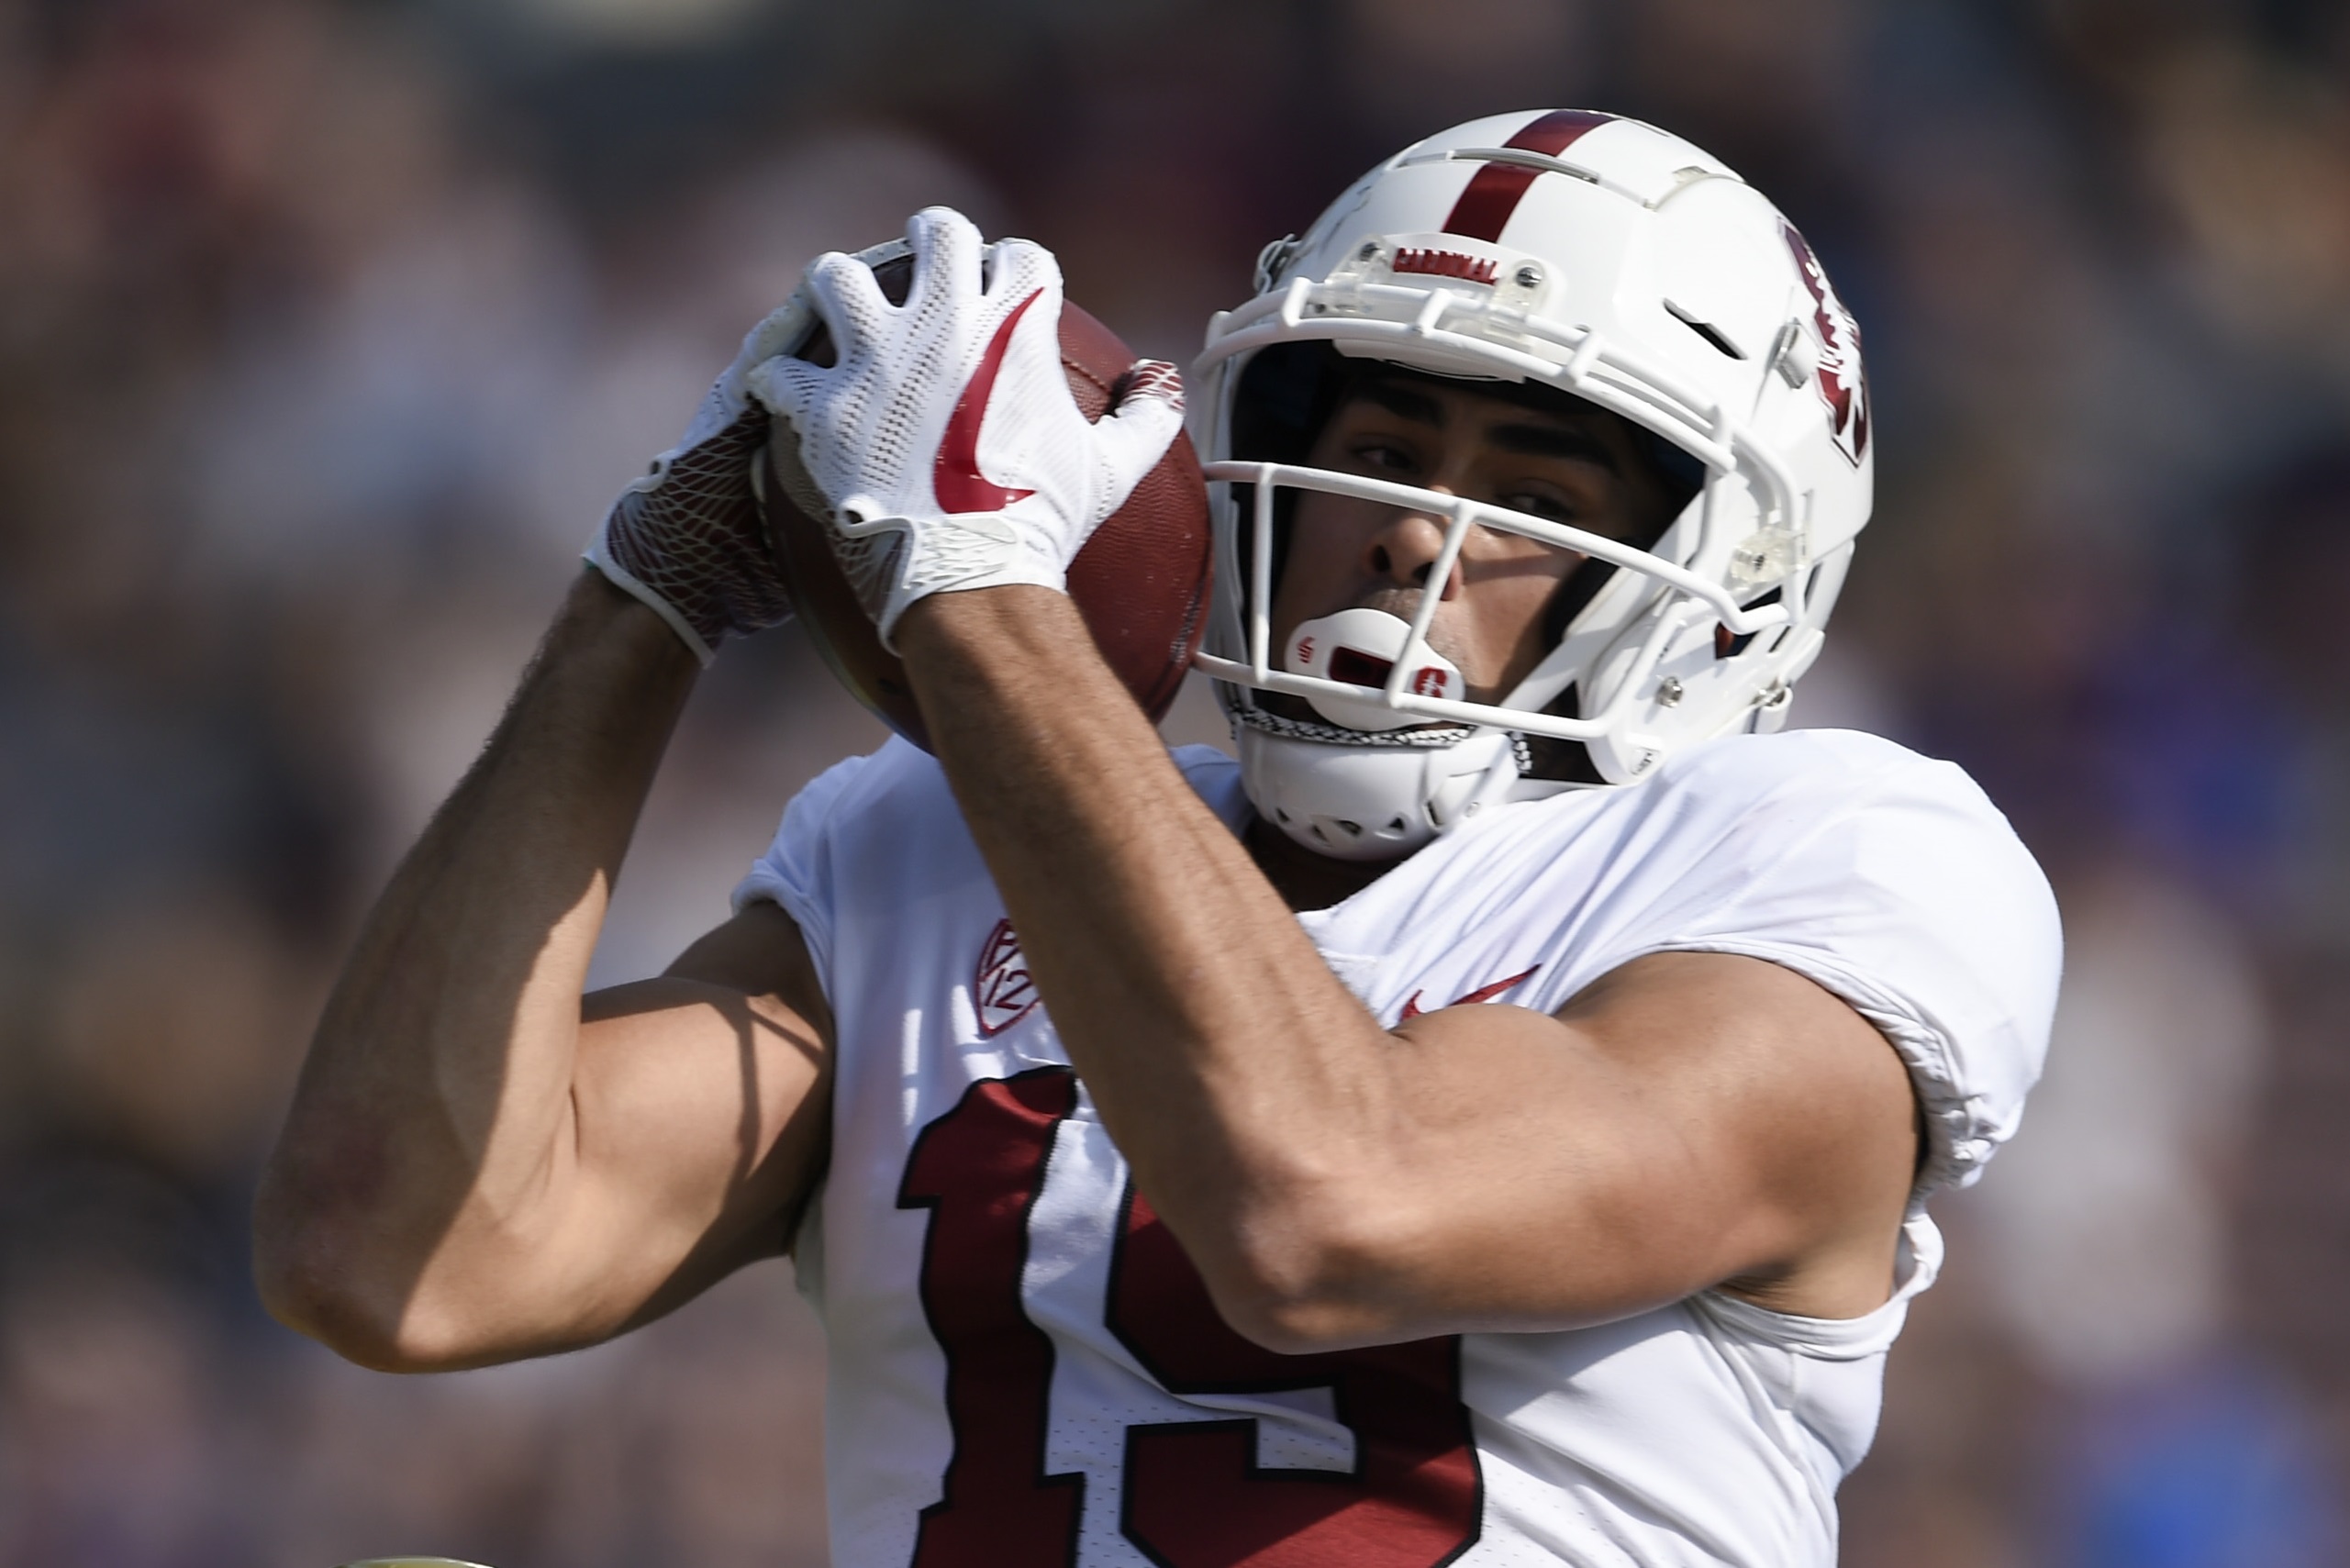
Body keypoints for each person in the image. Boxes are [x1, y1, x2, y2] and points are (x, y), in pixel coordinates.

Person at [256, 110, 2061, 1566]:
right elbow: (399, 1251)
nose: (1419, 533)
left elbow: (1328, 1213)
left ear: (1727, 591)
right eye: (1381, 444)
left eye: (1532, 493)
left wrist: (968, 577)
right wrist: (641, 592)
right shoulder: (937, 842)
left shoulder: (1832, 854)